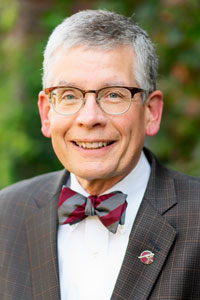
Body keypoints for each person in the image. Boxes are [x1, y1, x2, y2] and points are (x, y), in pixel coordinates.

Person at [0, 9, 200, 300]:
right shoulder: (5, 215)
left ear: (151, 112)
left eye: (114, 94)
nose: (90, 117)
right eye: (69, 95)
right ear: (46, 113)